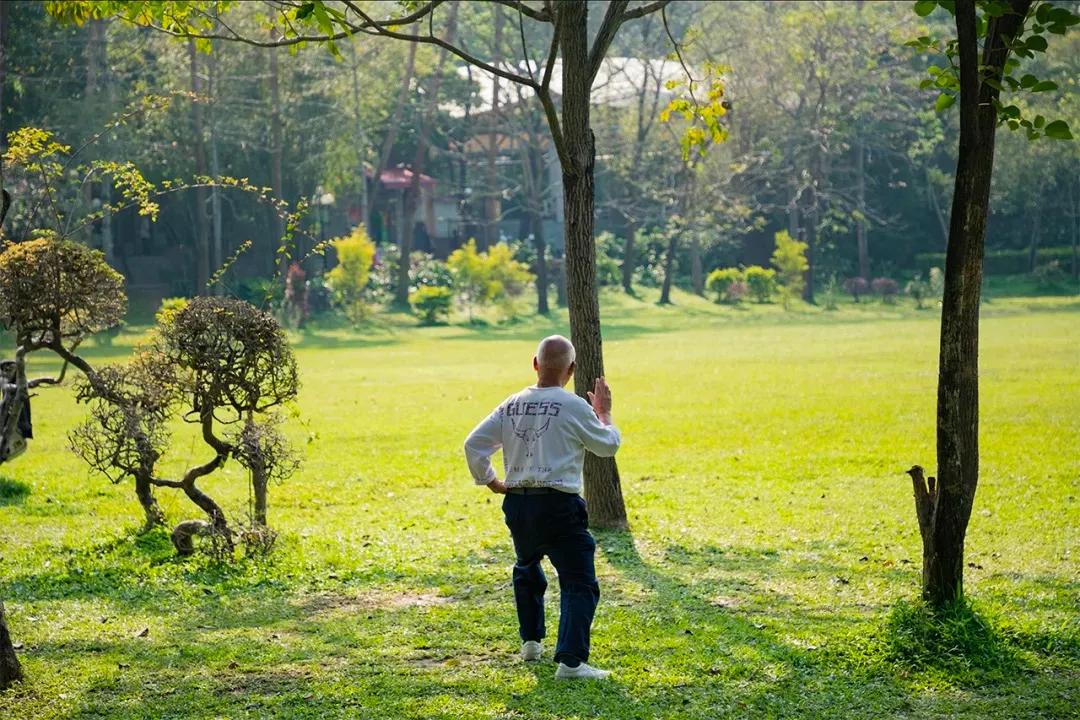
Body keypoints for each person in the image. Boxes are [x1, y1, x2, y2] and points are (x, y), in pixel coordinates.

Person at [463, 335, 620, 680]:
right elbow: (607, 446)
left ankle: (531, 642)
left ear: (534, 364)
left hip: (518, 504)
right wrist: (604, 414)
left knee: (527, 566)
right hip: (559, 504)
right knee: (579, 582)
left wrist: (492, 481)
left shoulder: (511, 404)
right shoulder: (573, 405)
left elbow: (473, 444)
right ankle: (571, 662)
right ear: (572, 369)